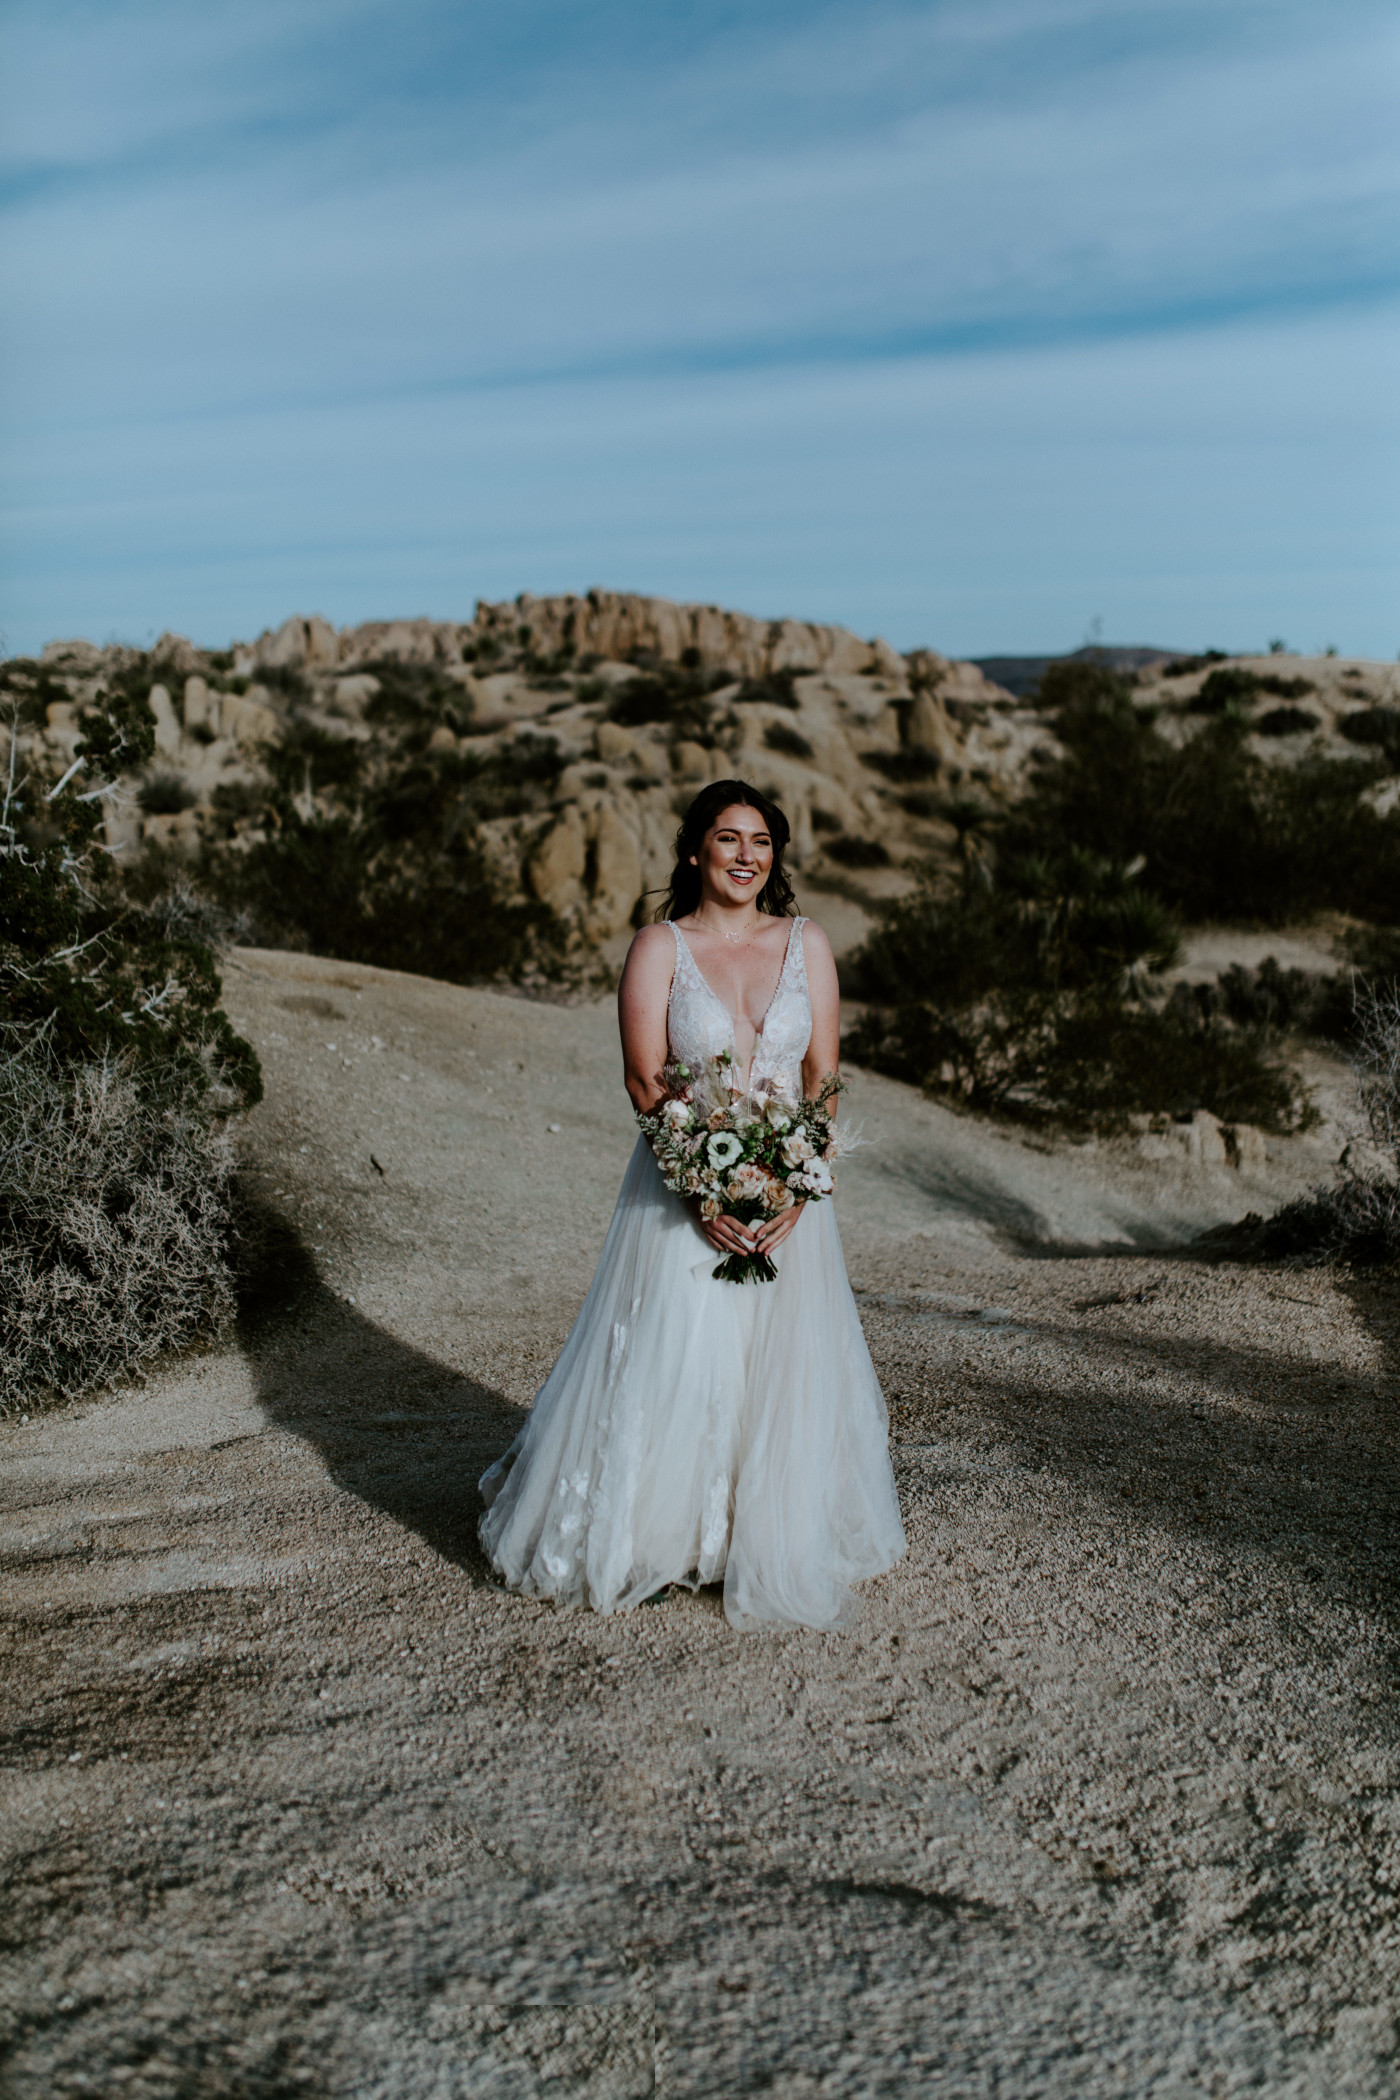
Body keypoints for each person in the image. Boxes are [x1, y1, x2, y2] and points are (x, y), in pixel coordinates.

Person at [478, 779, 906, 1628]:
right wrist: (705, 1190)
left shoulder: (806, 942)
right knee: (679, 1354)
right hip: (684, 1188)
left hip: (786, 1191)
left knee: (786, 1365)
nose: (747, 856)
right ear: (694, 851)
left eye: (761, 841)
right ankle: (673, 1537)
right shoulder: (659, 946)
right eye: (728, 839)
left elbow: (821, 1076)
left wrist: (798, 1183)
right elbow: (644, 1078)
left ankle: (768, 1532)